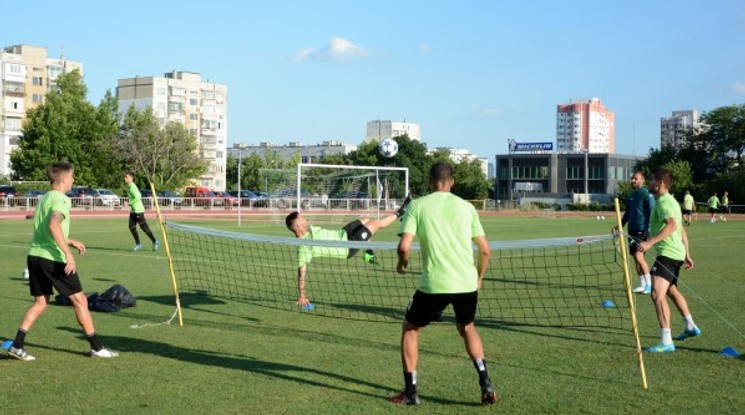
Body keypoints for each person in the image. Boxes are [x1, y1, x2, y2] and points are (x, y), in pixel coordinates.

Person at [393, 162, 496, 406]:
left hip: (434, 284)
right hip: (466, 283)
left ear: (430, 181)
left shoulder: (418, 206)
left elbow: (404, 247)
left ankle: (411, 393)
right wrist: (478, 278)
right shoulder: (467, 207)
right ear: (453, 181)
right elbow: (485, 251)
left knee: (410, 328)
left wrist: (402, 263)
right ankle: (485, 381)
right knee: (467, 327)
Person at [7, 161, 118, 361]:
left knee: (41, 302)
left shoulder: (45, 198)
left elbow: (46, 230)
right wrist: (67, 253)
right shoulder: (61, 199)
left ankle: (17, 344)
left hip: (35, 256)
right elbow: (53, 225)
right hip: (53, 259)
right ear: (65, 179)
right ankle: (96, 347)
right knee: (80, 300)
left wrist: (69, 240)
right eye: (73, 177)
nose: (73, 181)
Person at [285, 195, 410, 308]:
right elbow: (302, 272)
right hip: (346, 247)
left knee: (366, 220)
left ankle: (368, 252)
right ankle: (401, 211)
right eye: (303, 218)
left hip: (343, 232)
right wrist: (302, 295)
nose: (306, 219)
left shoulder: (308, 230)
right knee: (375, 224)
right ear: (298, 226)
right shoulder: (304, 247)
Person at [637, 169, 700, 353]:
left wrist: (649, 242)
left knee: (657, 294)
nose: (649, 183)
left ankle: (666, 341)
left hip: (668, 254)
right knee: (671, 290)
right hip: (676, 253)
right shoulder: (671, 201)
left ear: (659, 183)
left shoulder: (664, 202)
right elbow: (682, 229)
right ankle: (690, 325)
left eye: (651, 180)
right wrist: (687, 254)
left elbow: (672, 225)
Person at [613, 171, 655, 294]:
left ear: (642, 180)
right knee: (636, 259)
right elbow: (627, 214)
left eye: (635, 178)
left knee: (639, 256)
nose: (633, 180)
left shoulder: (646, 194)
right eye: (632, 178)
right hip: (631, 230)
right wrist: (618, 225)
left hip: (642, 230)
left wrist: (650, 231)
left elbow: (652, 212)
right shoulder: (631, 196)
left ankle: (649, 285)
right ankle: (642, 284)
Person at [124, 172, 159, 251]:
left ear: (131, 178)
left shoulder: (133, 187)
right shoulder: (129, 186)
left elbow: (138, 196)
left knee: (144, 227)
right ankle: (138, 244)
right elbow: (133, 197)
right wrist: (129, 202)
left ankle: (155, 241)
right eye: (125, 177)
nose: (125, 178)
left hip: (138, 210)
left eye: (126, 177)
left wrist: (129, 203)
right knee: (131, 226)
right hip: (133, 211)